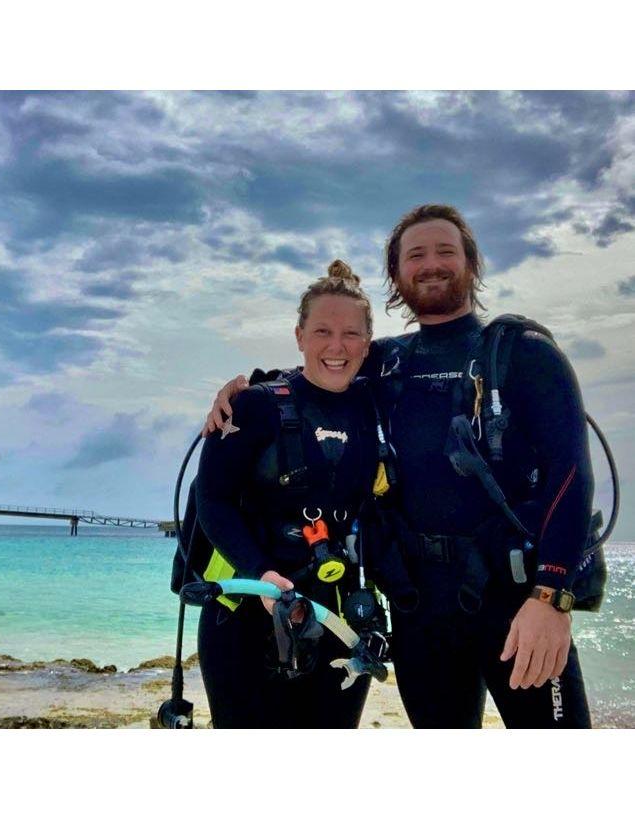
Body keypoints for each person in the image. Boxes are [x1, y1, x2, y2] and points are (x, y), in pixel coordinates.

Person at [204, 204, 593, 728]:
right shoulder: (385, 361)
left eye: (445, 251)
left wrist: (553, 597)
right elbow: (316, 379)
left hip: (518, 603)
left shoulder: (523, 354)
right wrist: (243, 387)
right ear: (396, 274)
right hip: (420, 612)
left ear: (471, 264)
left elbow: (571, 476)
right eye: (416, 254)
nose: (431, 264)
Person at [194, 260, 381, 728]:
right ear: (299, 336)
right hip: (245, 606)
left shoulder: (378, 406)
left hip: (339, 615)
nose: (336, 347)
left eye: (351, 334)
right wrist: (260, 572)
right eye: (322, 331)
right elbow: (211, 500)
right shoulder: (253, 405)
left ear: (368, 343)